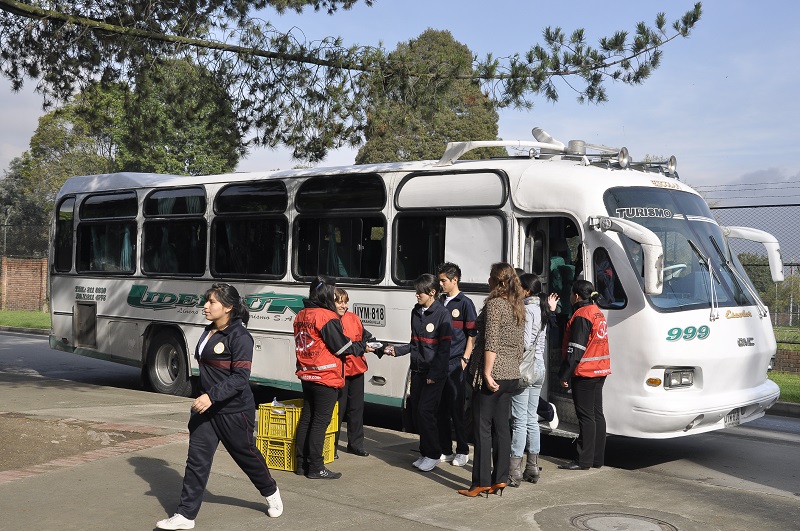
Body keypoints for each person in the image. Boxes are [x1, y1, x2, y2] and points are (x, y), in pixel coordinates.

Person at [156, 283, 282, 531]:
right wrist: (206, 399)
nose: (205, 306)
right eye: (206, 301)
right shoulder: (209, 331)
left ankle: (271, 491)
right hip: (206, 411)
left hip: (234, 411)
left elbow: (240, 378)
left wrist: (211, 397)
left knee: (246, 455)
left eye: (211, 302)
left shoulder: (240, 337)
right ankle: (185, 514)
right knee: (197, 461)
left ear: (228, 307)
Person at [458, 263, 525, 498]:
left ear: (498, 282)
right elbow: (520, 344)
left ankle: (480, 482)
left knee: (482, 428)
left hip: (493, 374)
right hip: (510, 375)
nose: (487, 281)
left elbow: (491, 342)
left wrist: (487, 373)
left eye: (490, 278)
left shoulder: (496, 304)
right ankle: (500, 478)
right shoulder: (517, 305)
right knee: (502, 428)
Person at [384, 274, 453, 473]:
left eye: (420, 292)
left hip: (433, 374)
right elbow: (414, 343)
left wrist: (434, 373)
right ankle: (424, 452)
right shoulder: (416, 312)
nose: (416, 295)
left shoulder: (442, 314)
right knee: (417, 413)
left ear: (432, 293)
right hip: (417, 370)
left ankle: (433, 454)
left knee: (426, 412)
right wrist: (397, 351)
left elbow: (444, 350)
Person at [294, 276, 354, 479]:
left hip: (307, 374)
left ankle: (301, 464)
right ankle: (316, 467)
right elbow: (343, 347)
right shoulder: (326, 316)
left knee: (307, 419)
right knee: (320, 422)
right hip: (325, 376)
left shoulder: (302, 314)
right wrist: (362, 346)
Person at [508, 273, 558, 487]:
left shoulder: (528, 310)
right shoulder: (543, 308)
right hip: (539, 367)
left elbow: (526, 342)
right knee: (531, 419)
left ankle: (514, 471)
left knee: (519, 421)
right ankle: (532, 467)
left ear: (526, 291)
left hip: (526, 368)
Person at [557, 280, 611, 470]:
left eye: (571, 294)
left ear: (576, 296)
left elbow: (576, 348)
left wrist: (564, 374)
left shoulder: (582, 315)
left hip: (585, 372)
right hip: (600, 369)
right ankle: (596, 459)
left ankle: (583, 460)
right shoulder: (596, 311)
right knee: (597, 414)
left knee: (586, 416)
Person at [436, 262, 477, 467]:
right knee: (441, 409)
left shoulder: (465, 303)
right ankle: (446, 449)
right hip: (439, 363)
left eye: (443, 280)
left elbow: (472, 334)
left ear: (455, 280)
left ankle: (462, 450)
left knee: (456, 408)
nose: (440, 284)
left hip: (455, 363)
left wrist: (465, 359)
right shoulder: (440, 301)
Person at [333, 287, 374, 457]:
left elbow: (366, 336)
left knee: (356, 409)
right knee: (338, 411)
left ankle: (356, 444)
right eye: (339, 302)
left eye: (345, 302)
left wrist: (377, 345)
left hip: (357, 369)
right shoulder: (331, 320)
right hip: (340, 371)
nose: (344, 305)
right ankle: (332, 446)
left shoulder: (353, 318)